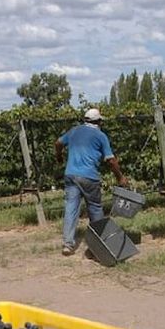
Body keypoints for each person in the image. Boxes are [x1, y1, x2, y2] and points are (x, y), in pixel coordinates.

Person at [55, 108, 129, 256]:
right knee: (95, 209)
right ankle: (99, 245)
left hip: (70, 175)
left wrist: (59, 156)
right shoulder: (100, 136)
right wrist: (120, 177)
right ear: (98, 122)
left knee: (71, 209)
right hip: (89, 177)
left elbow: (58, 142)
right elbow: (111, 160)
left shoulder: (74, 131)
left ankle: (68, 244)